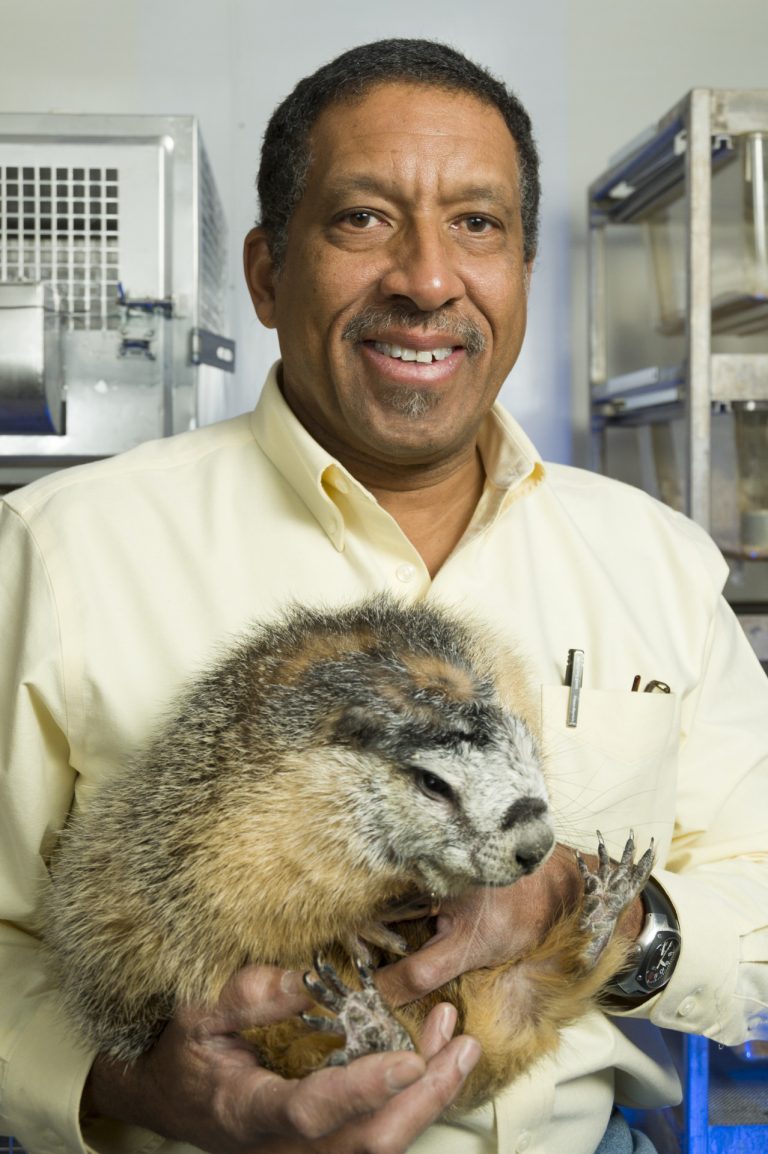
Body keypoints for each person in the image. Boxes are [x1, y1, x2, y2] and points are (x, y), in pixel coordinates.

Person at [0, 36, 766, 1154]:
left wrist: (604, 915)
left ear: (519, 275)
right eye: (363, 219)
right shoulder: (60, 549)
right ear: (268, 273)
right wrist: (140, 1084)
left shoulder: (657, 559)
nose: (427, 277)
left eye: (478, 223)